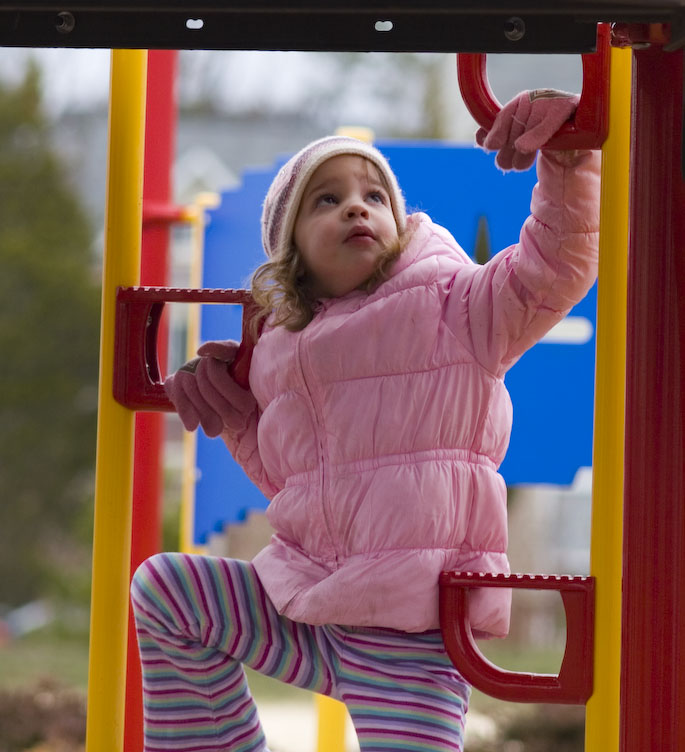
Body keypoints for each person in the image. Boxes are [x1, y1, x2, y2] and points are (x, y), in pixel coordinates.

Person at [131, 90, 600, 752]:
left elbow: (554, 270)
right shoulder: (281, 347)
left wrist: (567, 161)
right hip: (311, 607)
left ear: (397, 220)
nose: (356, 205)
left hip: (412, 635)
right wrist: (240, 421)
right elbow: (300, 486)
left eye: (373, 196)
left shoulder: (456, 308)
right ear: (290, 248)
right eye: (325, 199)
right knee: (167, 591)